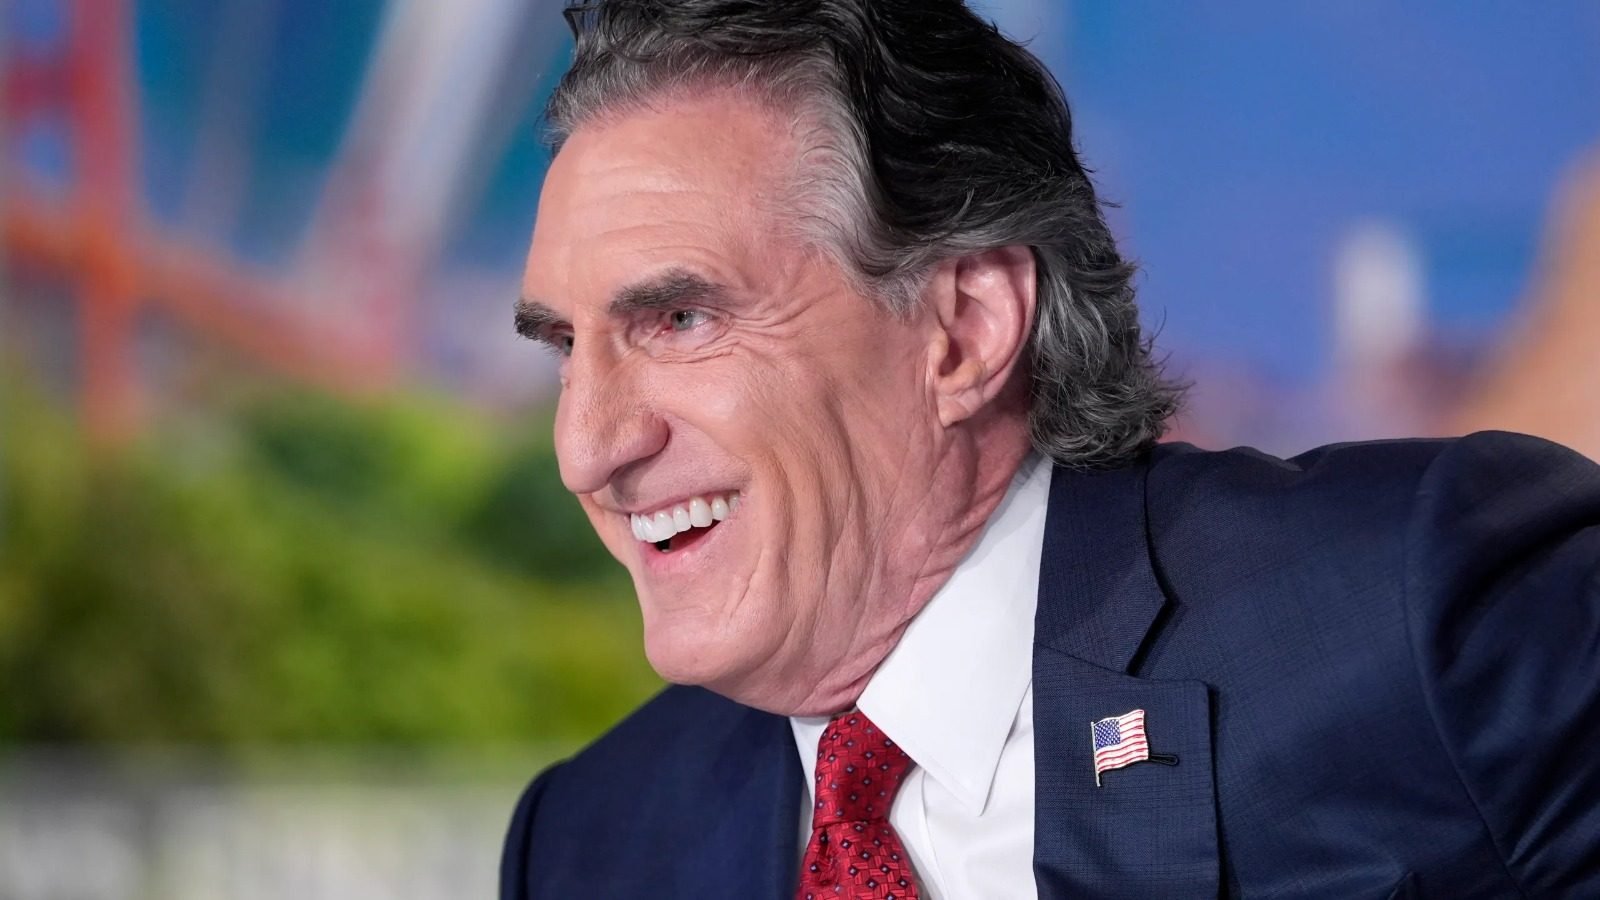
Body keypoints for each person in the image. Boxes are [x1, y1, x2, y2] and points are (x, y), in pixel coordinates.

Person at [498, 1, 1600, 897]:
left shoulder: (1420, 612)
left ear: (966, 329)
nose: (588, 449)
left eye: (679, 320)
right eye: (564, 347)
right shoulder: (590, 842)